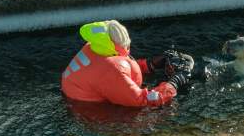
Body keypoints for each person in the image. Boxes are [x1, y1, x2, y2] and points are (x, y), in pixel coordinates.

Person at [61, 20, 193, 107]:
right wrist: (173, 83)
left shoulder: (95, 46)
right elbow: (144, 100)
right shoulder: (111, 69)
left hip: (75, 97)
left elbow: (114, 70)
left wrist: (150, 64)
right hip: (90, 112)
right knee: (151, 117)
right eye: (126, 46)